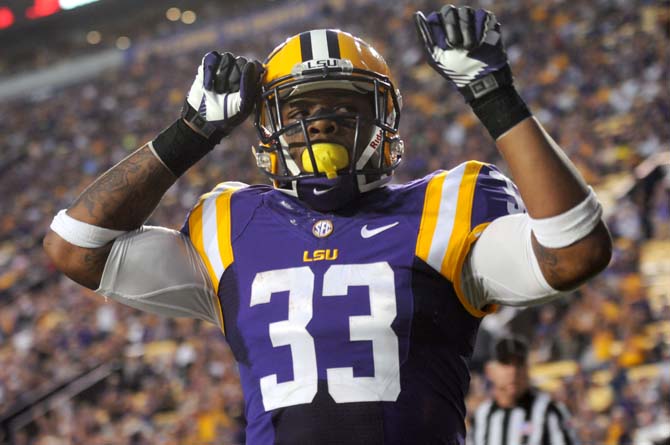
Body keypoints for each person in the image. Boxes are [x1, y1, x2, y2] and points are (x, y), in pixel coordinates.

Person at [43, 5, 612, 444]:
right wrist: (190, 130)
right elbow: (75, 247)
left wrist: (495, 96)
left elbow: (575, 251)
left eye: (346, 110)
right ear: (265, 129)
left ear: (383, 122)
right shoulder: (231, 223)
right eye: (300, 114)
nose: (322, 126)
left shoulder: (448, 206)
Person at [470, 336, 576, 445]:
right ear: (489, 371)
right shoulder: (481, 416)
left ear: (527, 369)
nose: (513, 371)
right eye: (505, 363)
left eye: (519, 364)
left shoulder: (551, 411)